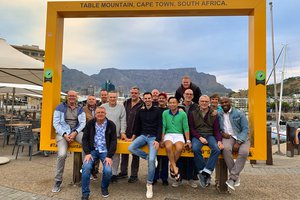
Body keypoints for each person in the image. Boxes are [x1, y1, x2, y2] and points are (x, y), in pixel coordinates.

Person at [128, 92, 162, 199]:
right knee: (131, 147)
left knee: (152, 161)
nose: (147, 100)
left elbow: (161, 126)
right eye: (145, 98)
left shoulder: (157, 111)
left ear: (152, 99)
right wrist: (133, 137)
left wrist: (158, 139)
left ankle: (149, 184)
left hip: (153, 138)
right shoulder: (140, 111)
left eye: (149, 98)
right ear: (143, 99)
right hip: (143, 136)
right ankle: (146, 156)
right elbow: (137, 125)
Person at [52, 90, 86, 193]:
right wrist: (64, 134)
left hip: (75, 132)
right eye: (70, 96)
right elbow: (56, 123)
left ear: (76, 97)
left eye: (74, 96)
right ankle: (58, 180)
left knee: (87, 143)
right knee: (62, 155)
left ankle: (85, 172)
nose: (72, 98)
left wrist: (75, 132)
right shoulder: (60, 107)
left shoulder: (80, 108)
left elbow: (83, 123)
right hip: (63, 133)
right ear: (67, 97)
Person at [81, 107, 117, 199]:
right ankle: (85, 193)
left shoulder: (111, 124)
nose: (100, 114)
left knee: (108, 171)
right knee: (86, 168)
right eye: (98, 112)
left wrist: (109, 156)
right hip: (92, 151)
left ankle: (104, 187)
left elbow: (113, 141)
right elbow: (84, 139)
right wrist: (88, 153)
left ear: (105, 114)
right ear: (95, 114)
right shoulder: (90, 124)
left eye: (102, 112)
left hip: (105, 151)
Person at [189, 95, 224, 188]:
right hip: (198, 135)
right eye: (202, 101)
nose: (204, 103)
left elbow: (217, 130)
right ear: (199, 102)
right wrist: (199, 137)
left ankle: (206, 172)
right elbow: (191, 129)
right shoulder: (193, 113)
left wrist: (219, 141)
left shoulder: (214, 114)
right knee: (196, 148)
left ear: (209, 102)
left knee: (216, 149)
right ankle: (203, 171)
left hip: (210, 135)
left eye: (206, 101)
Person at [218, 97, 250, 191]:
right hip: (227, 137)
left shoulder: (239, 113)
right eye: (222, 103)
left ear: (230, 102)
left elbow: (245, 129)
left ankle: (232, 177)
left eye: (226, 102)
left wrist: (239, 141)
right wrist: (222, 133)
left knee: (244, 152)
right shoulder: (219, 114)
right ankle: (234, 177)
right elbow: (218, 129)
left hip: (241, 136)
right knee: (226, 149)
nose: (224, 104)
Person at [163, 97, 191, 187]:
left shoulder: (183, 114)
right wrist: (162, 139)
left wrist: (188, 140)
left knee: (179, 148)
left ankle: (171, 166)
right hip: (168, 134)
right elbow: (163, 126)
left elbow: (186, 128)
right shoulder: (165, 113)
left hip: (179, 134)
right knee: (168, 147)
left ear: (177, 103)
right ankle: (175, 167)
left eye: (174, 102)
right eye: (170, 103)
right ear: (168, 104)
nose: (172, 104)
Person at [118, 86, 143, 183]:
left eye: (135, 93)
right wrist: (122, 131)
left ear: (138, 94)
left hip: (137, 133)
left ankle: (134, 175)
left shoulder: (142, 104)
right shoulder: (126, 103)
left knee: (135, 153)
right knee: (124, 153)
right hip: (125, 131)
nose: (133, 94)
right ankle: (123, 172)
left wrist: (136, 134)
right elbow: (122, 117)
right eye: (132, 93)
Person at [102, 91, 126, 182]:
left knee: (116, 155)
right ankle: (107, 172)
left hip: (116, 135)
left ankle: (114, 174)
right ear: (108, 98)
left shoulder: (121, 107)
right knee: (105, 154)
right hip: (104, 135)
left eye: (114, 97)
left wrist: (123, 132)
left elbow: (123, 120)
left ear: (117, 98)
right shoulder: (103, 107)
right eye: (110, 97)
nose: (112, 99)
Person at [176, 89, 198, 188]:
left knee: (191, 158)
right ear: (183, 95)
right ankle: (178, 179)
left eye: (190, 94)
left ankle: (190, 179)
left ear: (193, 96)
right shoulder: (177, 106)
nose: (188, 96)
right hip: (180, 134)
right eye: (187, 94)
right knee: (179, 157)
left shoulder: (196, 107)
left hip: (192, 134)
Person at [153, 92, 169, 186]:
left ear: (166, 100)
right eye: (160, 98)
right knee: (156, 158)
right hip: (156, 135)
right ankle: (154, 177)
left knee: (165, 158)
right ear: (158, 100)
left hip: (167, 135)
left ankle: (164, 178)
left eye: (163, 98)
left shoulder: (168, 110)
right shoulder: (154, 110)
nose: (161, 99)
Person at [83, 95, 99, 180]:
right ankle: (88, 170)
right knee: (88, 151)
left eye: (93, 99)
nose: (91, 100)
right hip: (87, 132)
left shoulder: (99, 109)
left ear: (95, 101)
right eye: (90, 99)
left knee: (97, 152)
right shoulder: (83, 109)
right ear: (87, 100)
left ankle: (94, 170)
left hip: (97, 133)